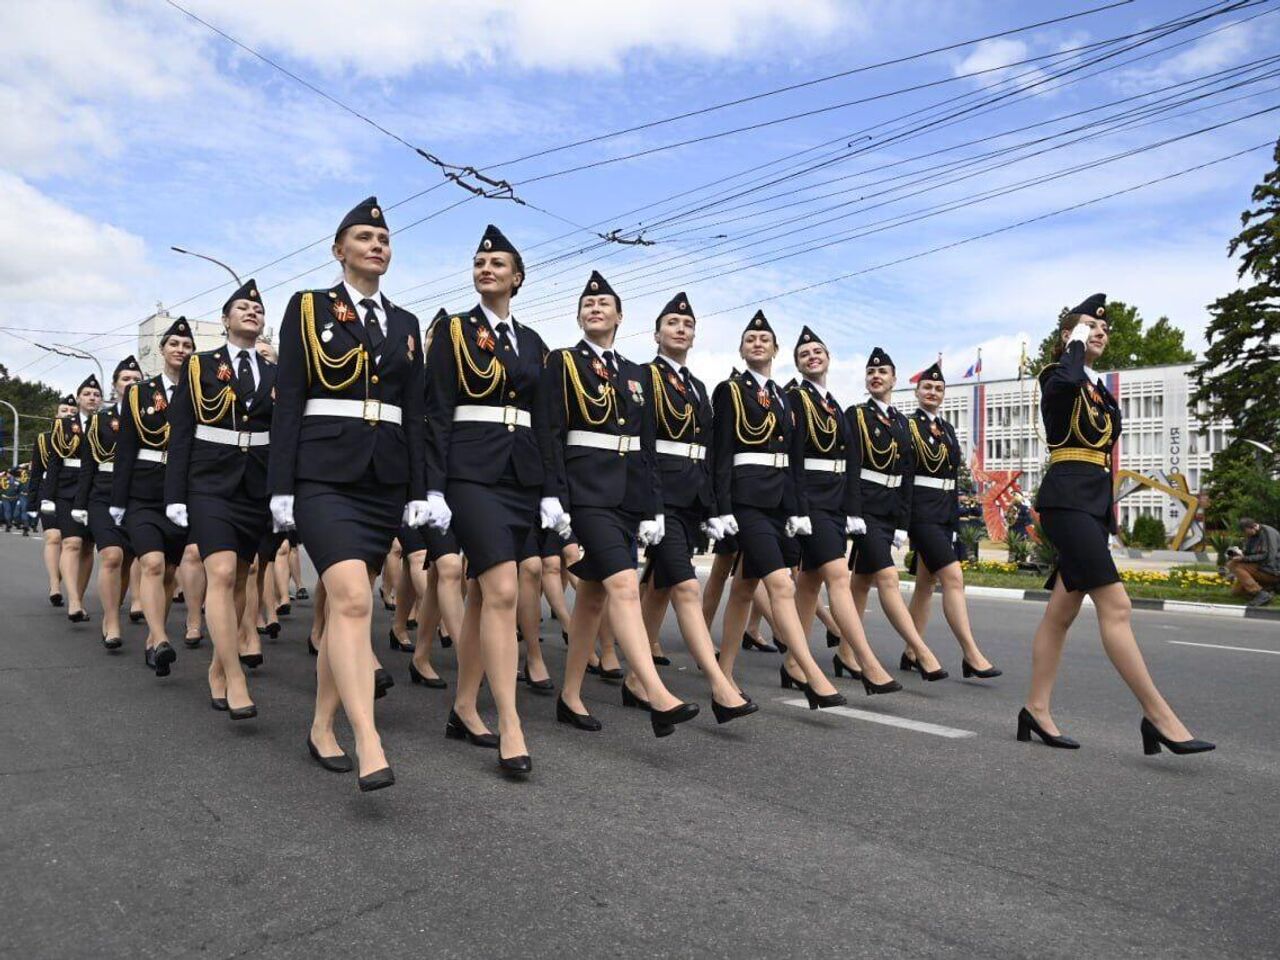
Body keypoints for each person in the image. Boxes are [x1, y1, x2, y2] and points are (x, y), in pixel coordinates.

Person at [269, 197, 427, 792]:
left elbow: (415, 415)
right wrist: (280, 487)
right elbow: (289, 399)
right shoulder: (309, 308)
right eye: (364, 237)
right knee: (355, 601)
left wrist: (419, 489)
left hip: (382, 481)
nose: (376, 246)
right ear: (340, 250)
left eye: (383, 238)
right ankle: (370, 740)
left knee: (344, 608)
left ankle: (321, 726)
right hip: (323, 477)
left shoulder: (406, 324)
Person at [1022, 293, 1213, 756]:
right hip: (1065, 501)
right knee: (1118, 607)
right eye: (1091, 326)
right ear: (1068, 335)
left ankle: (1036, 709)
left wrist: (1108, 516)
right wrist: (1073, 344)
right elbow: (1064, 381)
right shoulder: (1057, 376)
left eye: (1104, 329)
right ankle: (1159, 717)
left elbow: (1105, 451)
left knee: (1061, 613)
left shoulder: (1095, 388)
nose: (1101, 332)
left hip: (1091, 504)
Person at [544, 270, 701, 737]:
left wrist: (654, 507)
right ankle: (655, 692)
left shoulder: (635, 375)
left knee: (591, 599)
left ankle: (570, 697)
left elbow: (646, 447)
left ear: (619, 316)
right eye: (587, 305)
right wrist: (554, 496)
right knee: (625, 587)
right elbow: (551, 434)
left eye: (604, 305)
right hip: (584, 495)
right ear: (579, 315)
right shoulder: (563, 362)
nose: (595, 309)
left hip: (627, 499)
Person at [423, 224, 550, 776]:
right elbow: (436, 411)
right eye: (479, 262)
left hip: (521, 476)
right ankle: (511, 723)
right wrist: (432, 488)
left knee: (482, 597)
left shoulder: (535, 344)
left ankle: (463, 707)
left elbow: (547, 423)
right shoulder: (453, 332)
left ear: (517, 278)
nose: (486, 268)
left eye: (498, 263)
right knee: (502, 586)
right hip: (469, 475)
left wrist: (552, 492)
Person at [631, 292, 756, 722]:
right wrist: (648, 506)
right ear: (656, 333)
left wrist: (714, 506)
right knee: (685, 587)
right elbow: (643, 444)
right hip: (659, 495)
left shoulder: (697, 386)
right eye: (672, 324)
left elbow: (706, 448)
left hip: (690, 499)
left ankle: (635, 678)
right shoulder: (643, 376)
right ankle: (721, 686)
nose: (680, 330)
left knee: (662, 588)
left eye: (687, 326)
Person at [711, 311, 846, 709]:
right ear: (740, 348)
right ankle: (810, 674)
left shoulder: (786, 399)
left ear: (775, 349)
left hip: (779, 505)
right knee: (783, 584)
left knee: (743, 590)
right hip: (746, 501)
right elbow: (720, 454)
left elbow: (794, 461)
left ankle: (725, 674)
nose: (757, 343)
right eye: (750, 338)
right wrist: (721, 509)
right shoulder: (730, 391)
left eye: (764, 339)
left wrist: (798, 509)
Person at [165, 279, 276, 721]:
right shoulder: (199, 366)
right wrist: (175, 494)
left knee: (244, 577)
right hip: (209, 481)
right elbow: (182, 431)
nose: (252, 312)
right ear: (225, 320)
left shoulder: (276, 373)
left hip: (257, 483)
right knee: (223, 572)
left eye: (257, 308)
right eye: (243, 307)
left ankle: (217, 666)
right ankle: (234, 676)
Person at [784, 326, 899, 695]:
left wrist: (853, 510)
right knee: (837, 575)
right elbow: (795, 457)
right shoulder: (795, 398)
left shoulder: (833, 404)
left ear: (829, 358)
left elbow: (851, 462)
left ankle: (793, 663)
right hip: (811, 502)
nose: (812, 356)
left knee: (809, 583)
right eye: (805, 354)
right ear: (798, 364)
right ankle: (868, 664)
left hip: (835, 502)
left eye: (818, 351)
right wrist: (798, 508)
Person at [846, 347, 948, 682]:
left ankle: (845, 654)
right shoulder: (856, 415)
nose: (876, 376)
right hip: (866, 510)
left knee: (860, 582)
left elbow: (907, 476)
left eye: (883, 372)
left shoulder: (902, 423)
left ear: (893, 379)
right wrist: (853, 511)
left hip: (890, 511)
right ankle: (921, 650)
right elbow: (850, 467)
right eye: (871, 372)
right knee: (888, 578)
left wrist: (903, 523)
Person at [903, 362, 1000, 678]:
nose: (932, 392)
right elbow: (904, 476)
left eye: (938, 388)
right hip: (921, 513)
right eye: (927, 387)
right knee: (953, 578)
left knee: (925, 585)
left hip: (944, 513)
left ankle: (911, 651)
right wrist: (901, 521)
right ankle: (971, 654)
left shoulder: (946, 429)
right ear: (917, 392)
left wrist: (955, 525)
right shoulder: (909, 427)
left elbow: (952, 479)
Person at [112, 319, 196, 678]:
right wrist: (118, 499)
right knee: (152, 564)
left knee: (171, 571)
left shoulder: (201, 390)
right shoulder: (139, 394)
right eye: (174, 343)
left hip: (186, 490)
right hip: (144, 492)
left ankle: (153, 636)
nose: (180, 349)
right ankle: (160, 637)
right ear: (161, 350)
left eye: (187, 345)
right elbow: (126, 449)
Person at [72, 356, 143, 649]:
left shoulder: (153, 415)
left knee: (128, 559)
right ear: (115, 385)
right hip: (103, 492)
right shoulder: (101, 420)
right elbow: (88, 464)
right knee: (112, 556)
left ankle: (116, 608)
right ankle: (111, 619)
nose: (131, 383)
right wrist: (80, 503)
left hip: (138, 492)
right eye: (126, 379)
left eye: (137, 379)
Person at [40, 374, 103, 622]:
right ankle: (74, 601)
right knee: (72, 543)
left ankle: (79, 594)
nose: (92, 398)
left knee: (88, 547)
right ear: (78, 399)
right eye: (87, 394)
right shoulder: (65, 426)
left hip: (96, 489)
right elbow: (54, 463)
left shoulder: (108, 423)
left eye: (96, 394)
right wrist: (48, 497)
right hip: (68, 489)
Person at [1227, 517, 1278, 606]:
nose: (1245, 534)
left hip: (1273, 569)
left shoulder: (1268, 533)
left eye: (1245, 531)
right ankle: (1268, 590)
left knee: (1235, 565)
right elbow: (1249, 553)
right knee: (1236, 592)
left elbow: (1268, 557)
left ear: (1253, 526)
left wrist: (1244, 559)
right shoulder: (1251, 535)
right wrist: (1239, 554)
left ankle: (1260, 594)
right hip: (1261, 567)